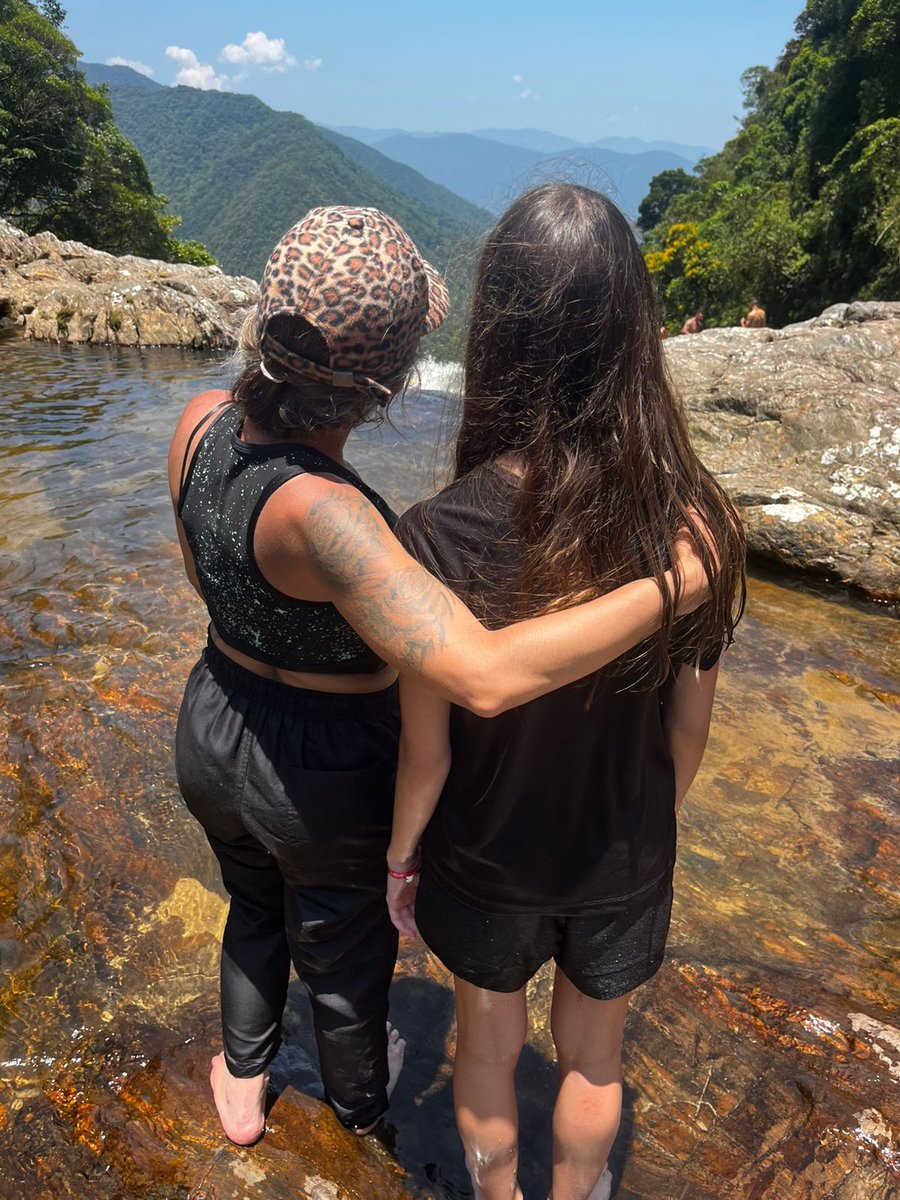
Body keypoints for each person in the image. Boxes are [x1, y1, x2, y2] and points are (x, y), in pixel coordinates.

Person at [168, 206, 713, 1148]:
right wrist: (678, 584)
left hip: (214, 715)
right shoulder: (331, 519)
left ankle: (243, 1078)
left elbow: (200, 571)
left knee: (252, 904)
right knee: (344, 947)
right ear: (385, 386)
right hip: (319, 770)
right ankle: (359, 1114)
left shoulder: (199, 421)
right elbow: (486, 675)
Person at [385, 184, 745, 1200]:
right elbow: (689, 726)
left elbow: (426, 755)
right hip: (620, 854)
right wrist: (644, 829)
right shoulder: (695, 525)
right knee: (594, 1059)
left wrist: (403, 857)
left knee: (486, 1046)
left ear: (498, 332)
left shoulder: (435, 533)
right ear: (633, 332)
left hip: (486, 858)